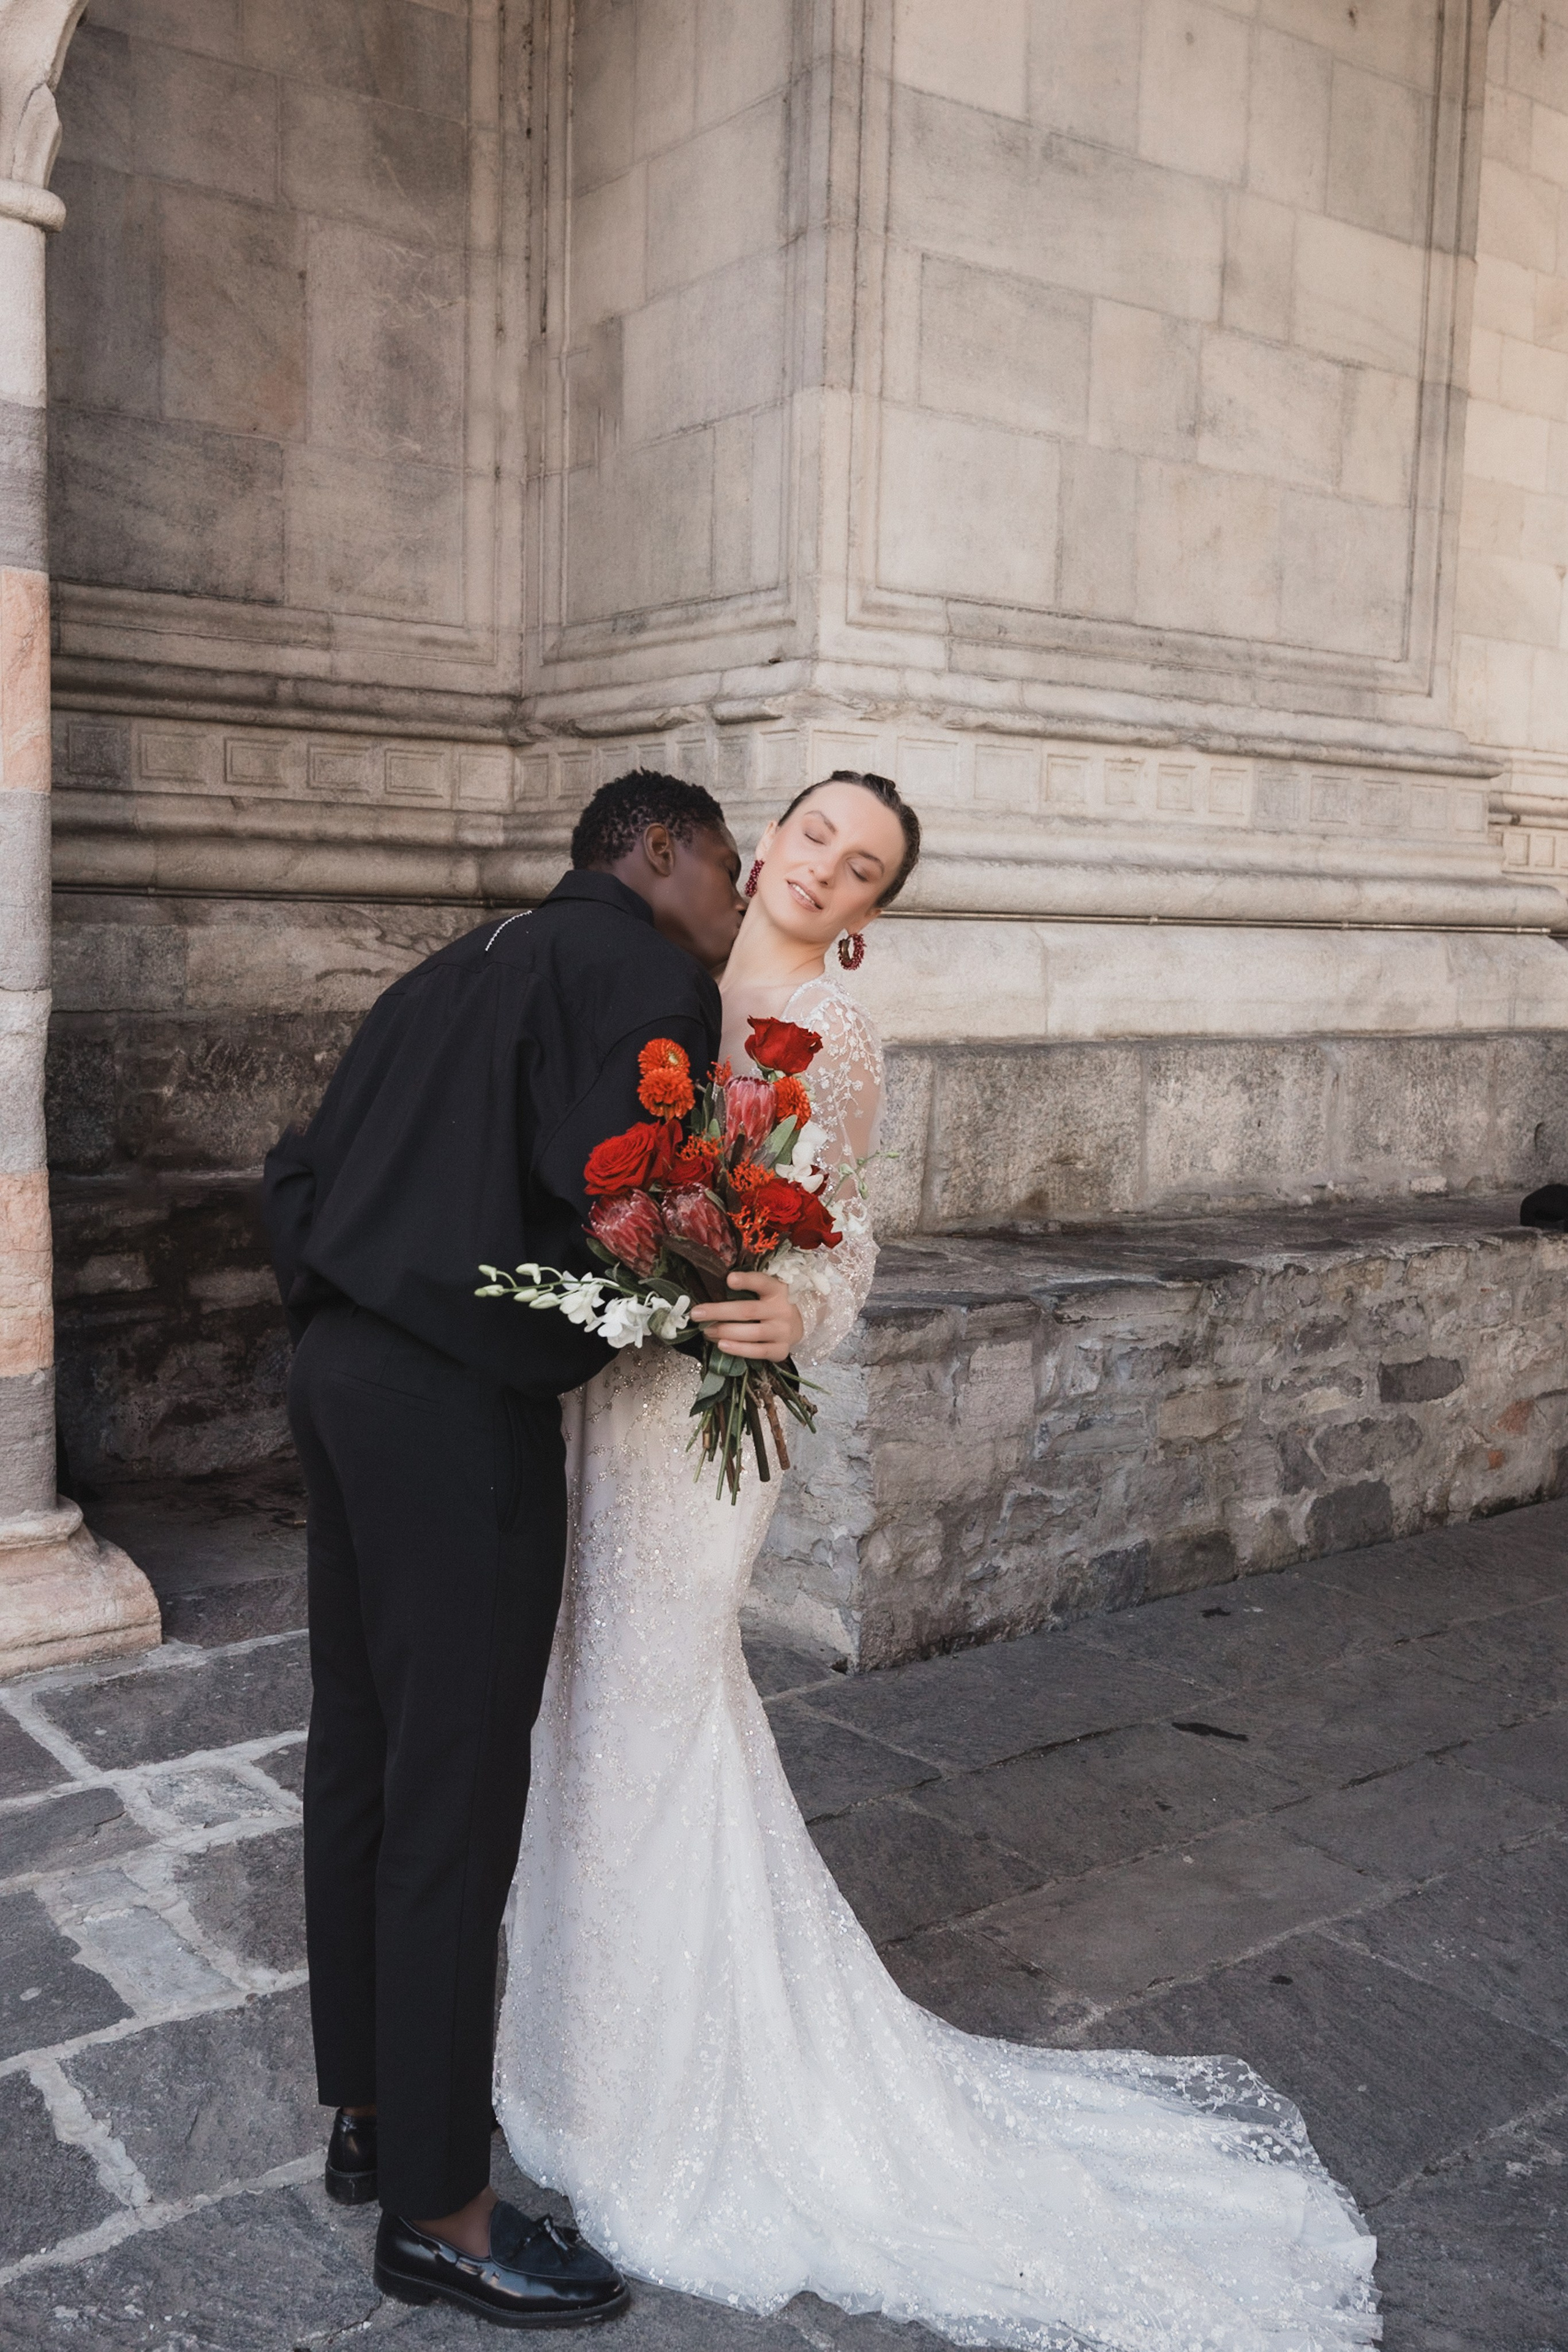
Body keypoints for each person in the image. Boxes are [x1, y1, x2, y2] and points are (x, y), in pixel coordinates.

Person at [492, 771, 1381, 2350]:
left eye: (866, 868)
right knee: (583, 1703)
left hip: (715, 1402)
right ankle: (572, 2062)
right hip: (609, 1388)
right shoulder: (663, 973)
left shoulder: (831, 1037)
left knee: (652, 1705)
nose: (829, 869)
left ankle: (664, 2106)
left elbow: (845, 1239)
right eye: (818, 835)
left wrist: (797, 1313)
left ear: (872, 912)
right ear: (763, 841)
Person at [261, 770, 746, 2330]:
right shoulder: (638, 969)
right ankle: (443, 2217)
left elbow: (305, 1171)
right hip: (451, 1407)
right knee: (455, 1797)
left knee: (364, 1753)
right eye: (727, 871)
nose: (732, 911)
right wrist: (705, 1273)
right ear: (656, 848)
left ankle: (376, 2111)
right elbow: (631, 1192)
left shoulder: (445, 967)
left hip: (340, 1371)